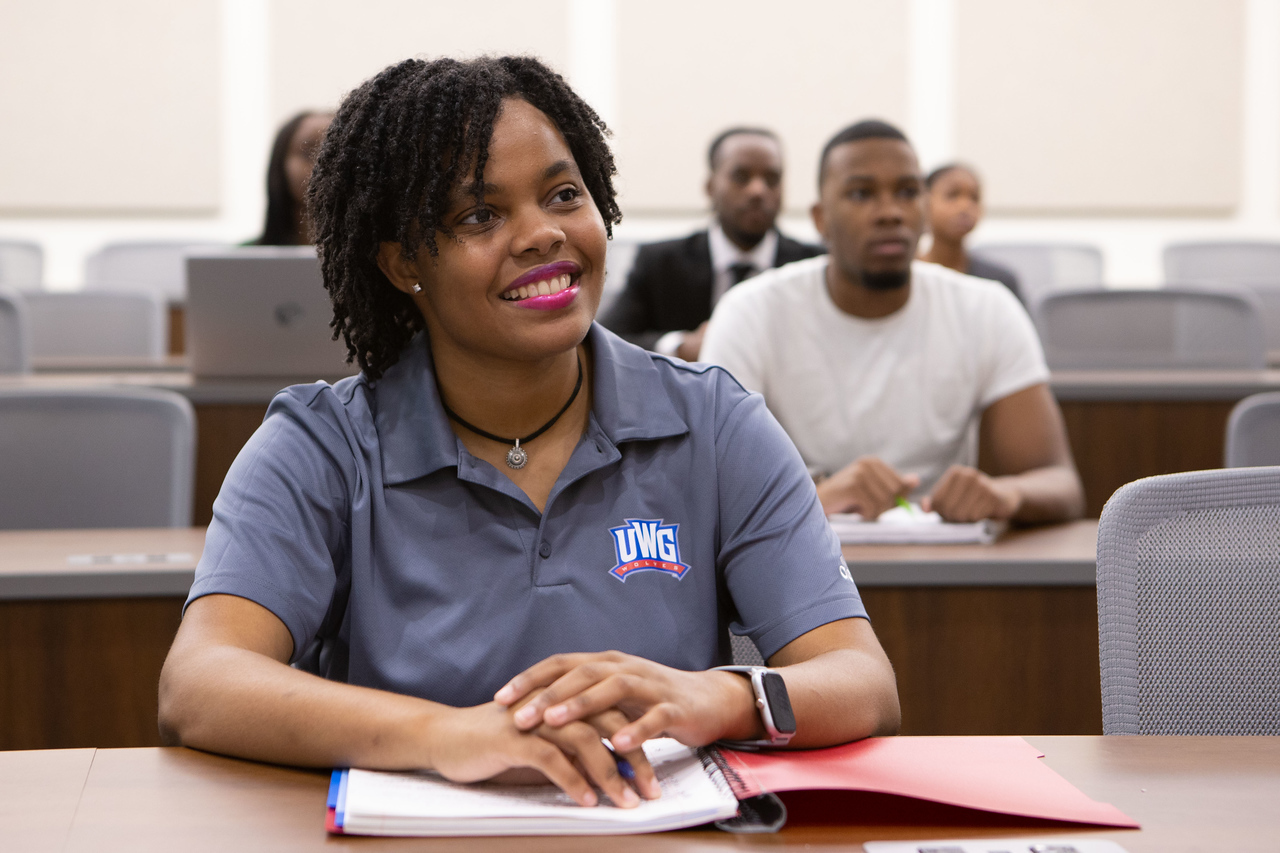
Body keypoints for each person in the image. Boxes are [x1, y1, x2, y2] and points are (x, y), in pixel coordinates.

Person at [158, 57, 900, 811]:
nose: (543, 233)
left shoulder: (714, 421)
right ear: (403, 261)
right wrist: (447, 735)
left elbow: (861, 679)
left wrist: (720, 696)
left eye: (563, 194)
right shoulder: (321, 445)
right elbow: (200, 682)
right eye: (481, 215)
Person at [700, 120, 1084, 524]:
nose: (890, 212)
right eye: (861, 193)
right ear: (820, 218)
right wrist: (815, 497)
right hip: (792, 569)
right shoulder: (749, 311)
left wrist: (1006, 494)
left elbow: (1060, 482)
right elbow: (708, 485)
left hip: (940, 566)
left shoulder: (986, 308)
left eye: (907, 192)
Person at [599, 128, 824, 360]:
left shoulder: (815, 265)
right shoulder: (661, 263)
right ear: (710, 186)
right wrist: (679, 347)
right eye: (741, 176)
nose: (758, 190)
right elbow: (606, 339)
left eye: (772, 179)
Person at [920, 163, 1020, 299]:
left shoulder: (997, 281)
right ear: (925, 202)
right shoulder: (907, 277)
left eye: (974, 198)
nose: (965, 206)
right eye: (952, 195)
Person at [251, 110, 334, 245]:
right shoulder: (240, 260)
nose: (323, 164)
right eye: (308, 153)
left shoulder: (378, 261)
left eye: (334, 154)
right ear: (280, 164)